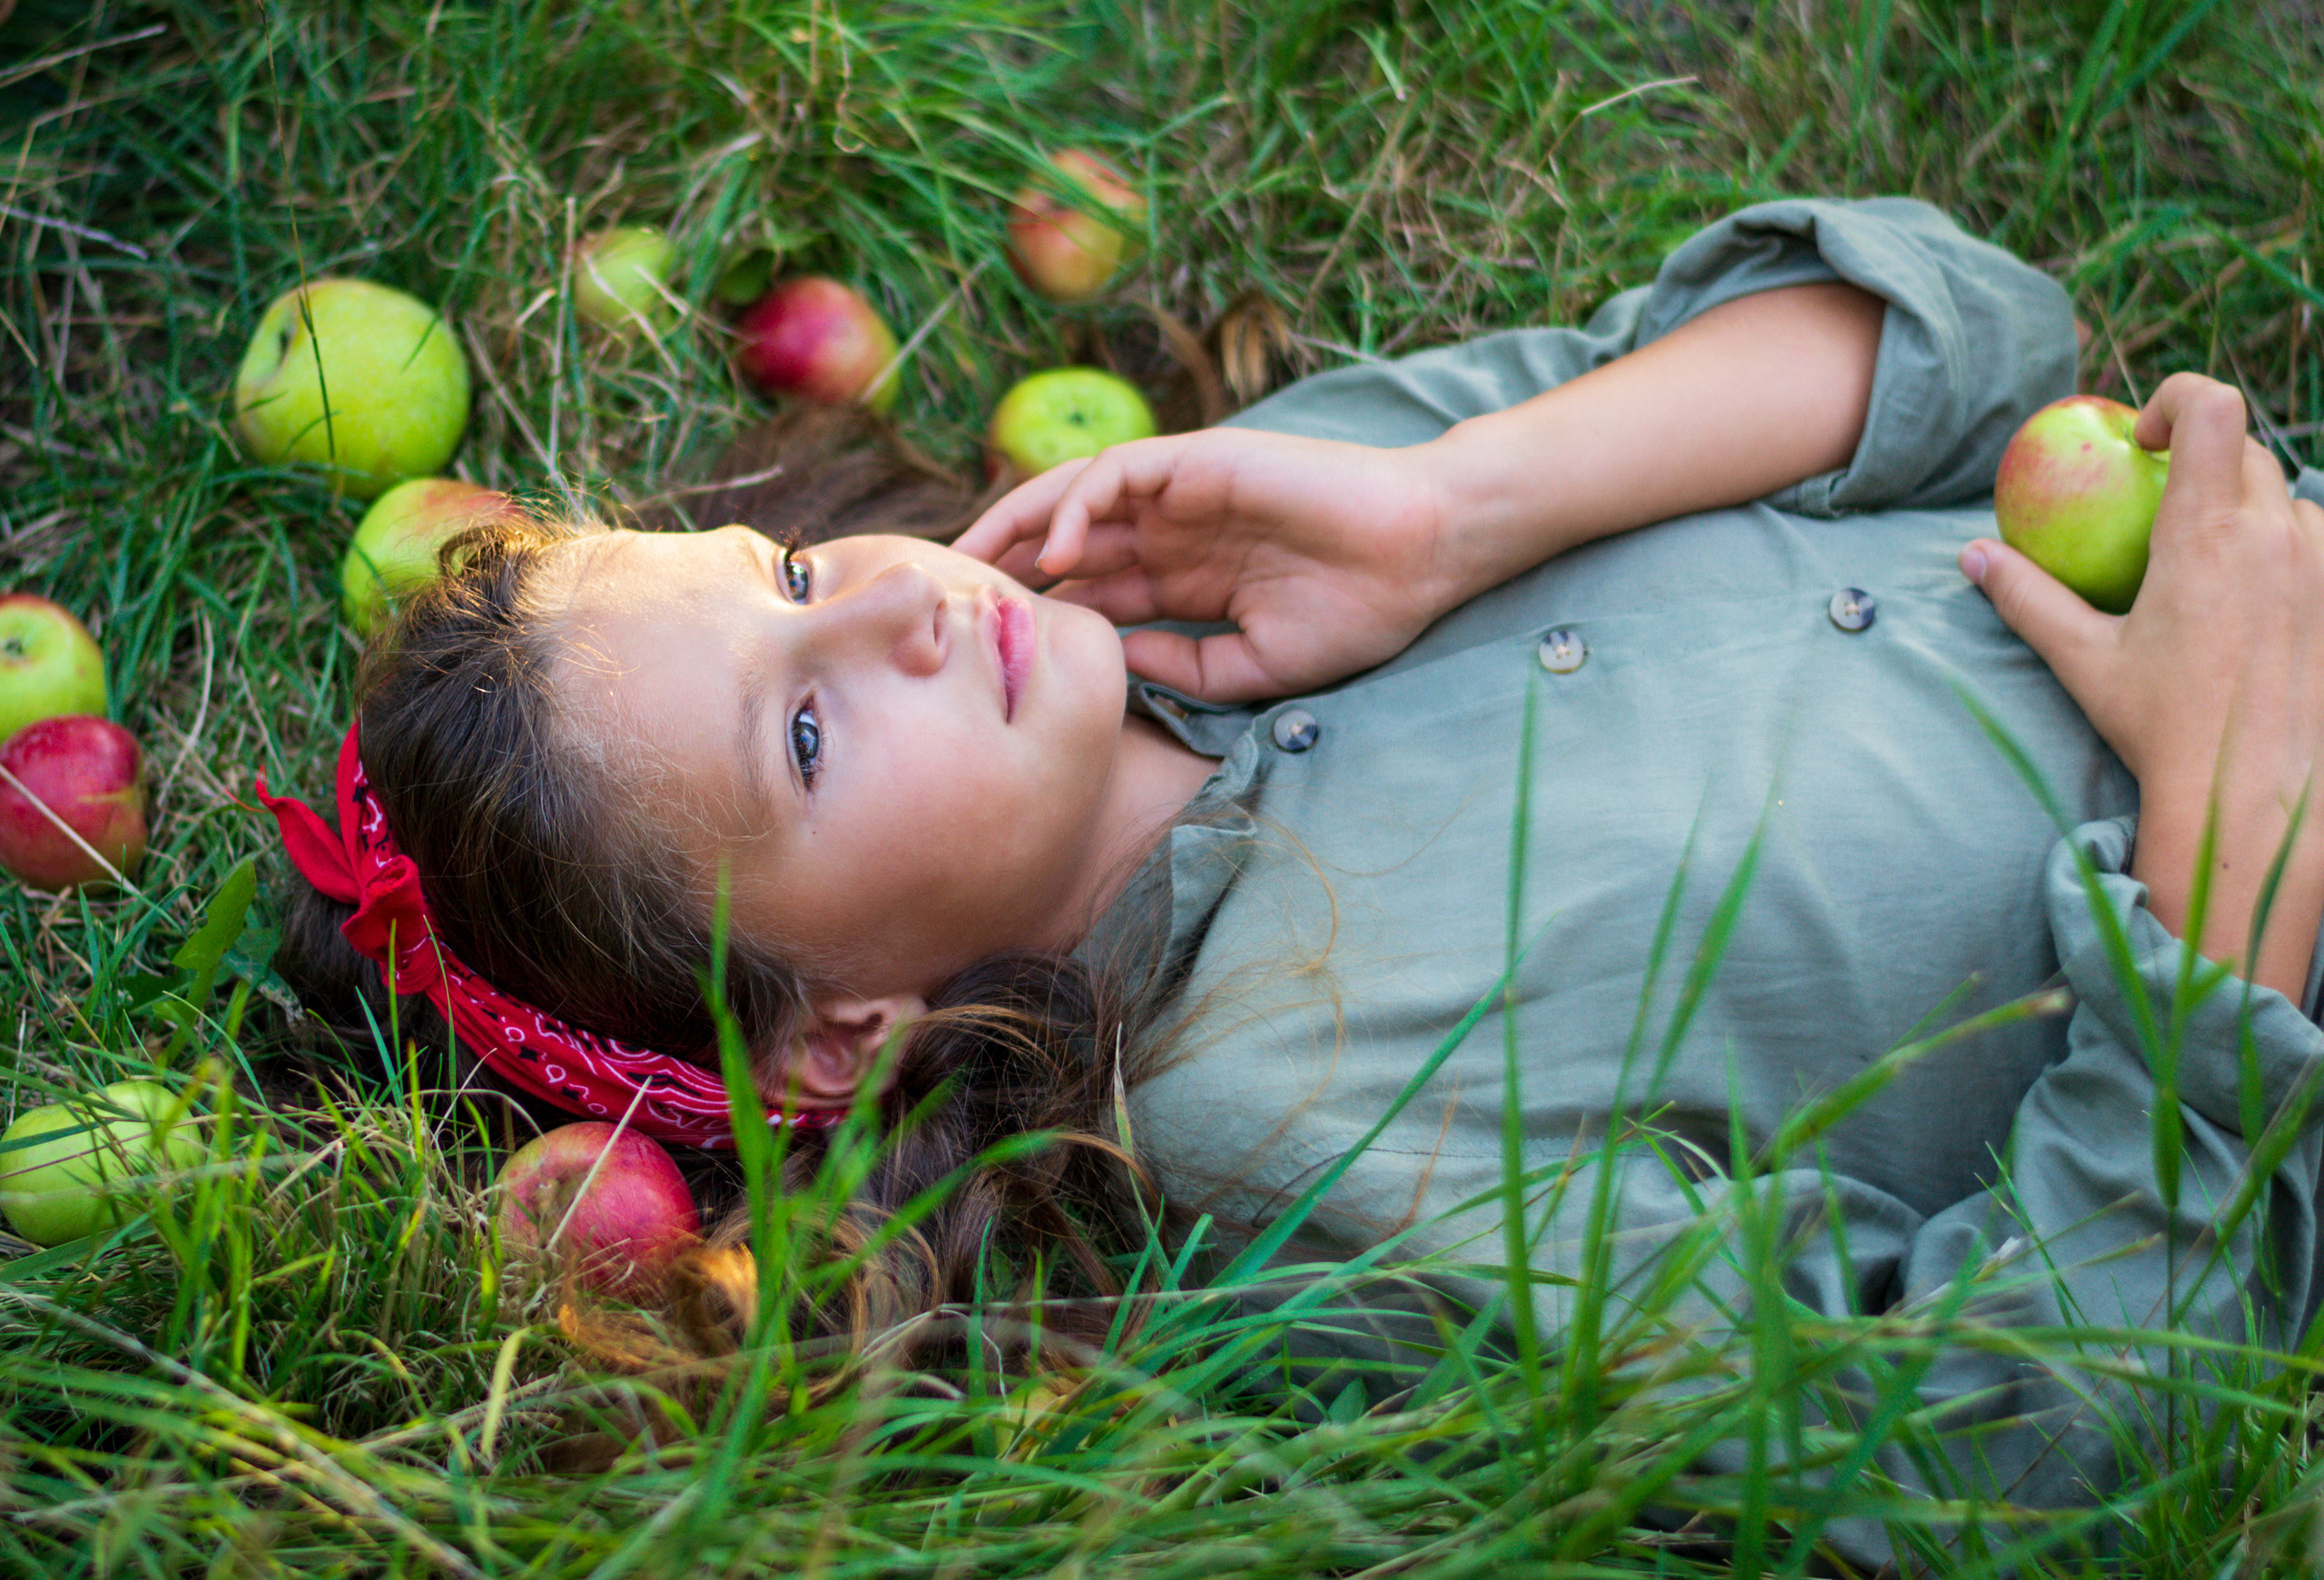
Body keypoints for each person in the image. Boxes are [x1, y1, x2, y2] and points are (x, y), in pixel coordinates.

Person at [268, 197, 2324, 1562]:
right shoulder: (1281, 1142)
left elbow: (1966, 338)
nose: (893, 611)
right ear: (833, 1033)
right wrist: (2234, 846)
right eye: (800, 734)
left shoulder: (1194, 554)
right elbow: (1995, 1449)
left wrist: (1448, 504)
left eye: (791, 579)